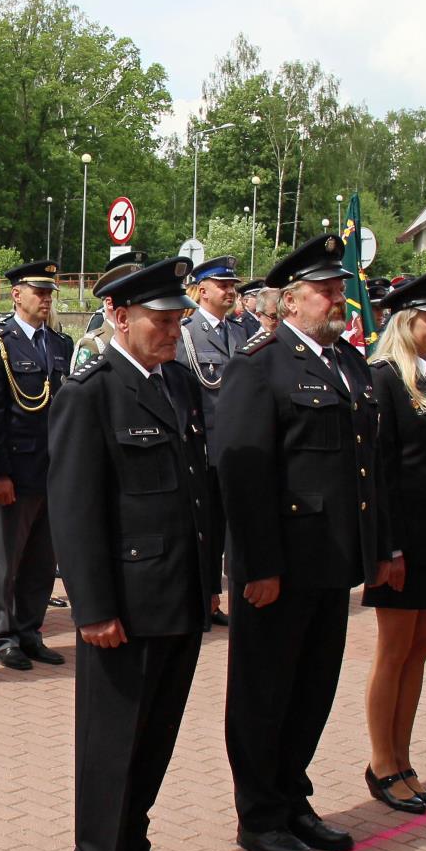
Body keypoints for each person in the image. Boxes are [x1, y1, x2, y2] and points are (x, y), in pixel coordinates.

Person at [215, 234, 393, 851]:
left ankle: (293, 794)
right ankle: (259, 813)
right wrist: (256, 565)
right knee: (265, 691)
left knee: (313, 687)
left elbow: (364, 466)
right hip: (281, 564)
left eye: (339, 287)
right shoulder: (258, 364)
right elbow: (242, 474)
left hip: (330, 560)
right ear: (291, 301)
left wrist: (373, 550)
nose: (338, 298)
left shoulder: (347, 363)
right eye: (325, 290)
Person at [51, 255, 212, 851]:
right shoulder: (90, 393)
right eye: (162, 318)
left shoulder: (181, 383)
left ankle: (135, 850)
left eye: (179, 317)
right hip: (124, 603)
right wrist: (93, 608)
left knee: (155, 737)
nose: (175, 329)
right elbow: (76, 509)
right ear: (118, 316)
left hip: (178, 592)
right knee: (111, 740)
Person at [360, 270, 426, 815]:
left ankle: (404, 760)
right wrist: (390, 548)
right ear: (405, 322)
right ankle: (382, 763)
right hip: (403, 540)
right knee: (394, 652)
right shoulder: (383, 378)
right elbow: (380, 473)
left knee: (419, 653)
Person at [0, 260, 70, 671]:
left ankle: (30, 630)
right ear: (16, 295)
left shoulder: (59, 344)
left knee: (41, 560)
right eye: (39, 291)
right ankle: (2, 636)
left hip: (52, 470)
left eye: (50, 292)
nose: (46, 298)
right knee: (6, 560)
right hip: (16, 470)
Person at [174, 255, 246, 627]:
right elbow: (183, 395)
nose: (231, 291)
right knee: (204, 530)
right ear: (202, 290)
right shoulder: (186, 334)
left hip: (236, 449)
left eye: (233, 285)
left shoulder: (238, 332)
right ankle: (204, 598)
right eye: (223, 285)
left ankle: (226, 597)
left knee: (232, 529)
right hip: (205, 449)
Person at [71, 251, 147, 372]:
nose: (142, 303)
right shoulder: (95, 345)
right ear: (110, 303)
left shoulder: (144, 340)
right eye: (133, 299)